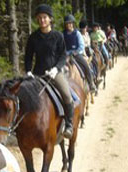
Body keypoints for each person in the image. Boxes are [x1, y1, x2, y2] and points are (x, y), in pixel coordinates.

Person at [24, 4, 74, 139]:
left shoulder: (58, 36)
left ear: (50, 19)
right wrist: (28, 71)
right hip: (37, 74)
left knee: (67, 95)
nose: (42, 20)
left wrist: (56, 69)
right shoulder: (33, 37)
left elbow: (63, 55)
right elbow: (28, 56)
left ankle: (69, 125)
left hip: (54, 73)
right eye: (39, 18)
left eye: (44, 17)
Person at [63, 15, 96, 92]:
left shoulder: (77, 33)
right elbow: (61, 46)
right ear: (65, 24)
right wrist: (66, 53)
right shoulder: (62, 34)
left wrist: (75, 52)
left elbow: (81, 46)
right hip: (66, 55)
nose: (69, 25)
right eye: (68, 23)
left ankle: (91, 84)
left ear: (73, 24)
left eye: (71, 23)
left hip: (76, 54)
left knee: (86, 65)